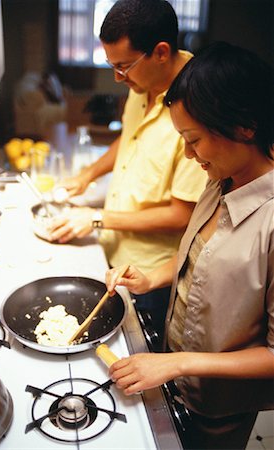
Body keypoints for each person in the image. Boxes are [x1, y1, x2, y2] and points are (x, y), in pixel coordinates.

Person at [105, 41, 274, 450]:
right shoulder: (221, 178)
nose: (188, 153)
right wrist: (152, 277)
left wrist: (177, 363)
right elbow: (199, 255)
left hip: (216, 403)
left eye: (194, 140)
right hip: (174, 376)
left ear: (244, 127)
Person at [47, 0, 207, 345]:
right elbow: (130, 137)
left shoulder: (196, 106)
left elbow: (183, 214)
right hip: (115, 251)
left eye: (124, 67)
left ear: (161, 52)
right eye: (111, 65)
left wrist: (96, 218)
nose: (118, 78)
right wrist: (89, 173)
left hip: (150, 274)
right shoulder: (143, 84)